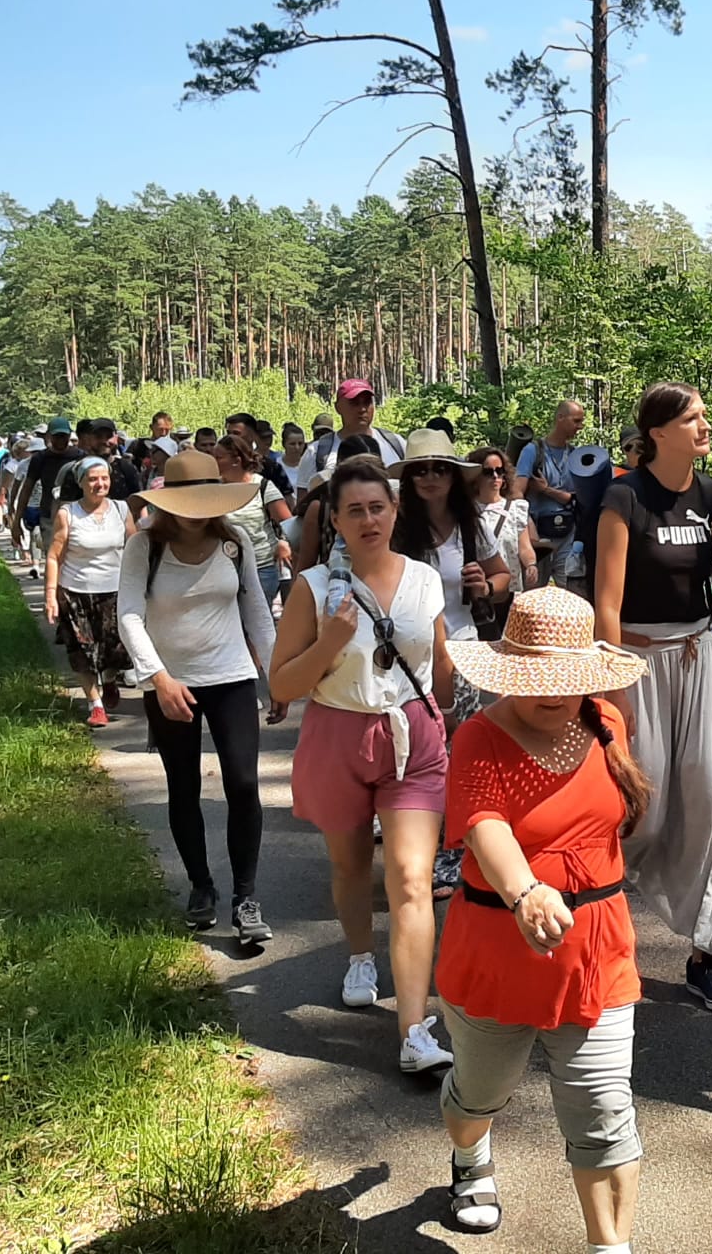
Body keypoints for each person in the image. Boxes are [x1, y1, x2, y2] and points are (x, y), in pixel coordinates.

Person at [437, 589, 650, 1246]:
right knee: (480, 1096)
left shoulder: (607, 722)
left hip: (597, 954)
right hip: (498, 956)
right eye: (535, 677)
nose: (553, 693)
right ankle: (471, 1155)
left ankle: (610, 1245)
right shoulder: (478, 738)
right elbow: (484, 825)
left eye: (566, 677)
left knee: (604, 1111)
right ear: (508, 671)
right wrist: (526, 891)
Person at [269, 455, 458, 1074]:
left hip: (413, 737)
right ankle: (358, 956)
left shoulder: (424, 580)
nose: (369, 519)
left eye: (378, 507)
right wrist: (329, 639)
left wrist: (455, 714)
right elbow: (282, 684)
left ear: (395, 511)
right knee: (350, 864)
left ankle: (413, 1029)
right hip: (338, 733)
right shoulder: (313, 587)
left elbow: (440, 662)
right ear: (336, 521)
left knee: (411, 878)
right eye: (355, 510)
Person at [593, 382, 712, 1013]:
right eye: (693, 418)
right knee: (643, 807)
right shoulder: (624, 497)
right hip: (637, 664)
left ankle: (707, 953)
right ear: (659, 433)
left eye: (705, 416)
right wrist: (614, 690)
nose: (705, 426)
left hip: (697, 660)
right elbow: (606, 603)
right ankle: (598, 926)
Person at [117, 450, 278, 944]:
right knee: (183, 786)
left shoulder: (235, 543)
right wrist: (158, 678)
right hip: (170, 683)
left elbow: (257, 612)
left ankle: (246, 899)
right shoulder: (145, 547)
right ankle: (200, 886)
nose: (197, 512)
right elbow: (129, 615)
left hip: (231, 676)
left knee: (243, 784)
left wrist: (277, 676)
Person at [389, 429, 509, 900]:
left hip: (463, 651)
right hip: (408, 659)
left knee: (459, 754)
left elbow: (503, 576)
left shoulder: (470, 524)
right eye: (420, 469)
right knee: (419, 755)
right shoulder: (397, 527)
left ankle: (455, 849)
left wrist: (486, 587)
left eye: (440, 468)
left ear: (455, 476)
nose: (430, 477)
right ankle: (423, 845)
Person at [44, 456, 137, 728]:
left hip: (115, 591)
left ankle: (109, 679)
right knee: (81, 652)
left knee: (116, 650)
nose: (100, 484)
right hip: (76, 593)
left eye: (104, 478)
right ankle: (95, 705)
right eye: (93, 479)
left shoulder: (121, 509)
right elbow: (54, 556)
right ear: (81, 483)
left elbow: (135, 547)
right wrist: (51, 595)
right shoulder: (68, 514)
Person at [469, 445, 540, 637]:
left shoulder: (516, 509)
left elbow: (524, 546)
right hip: (477, 590)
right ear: (475, 476)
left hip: (508, 590)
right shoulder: (466, 511)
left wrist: (531, 564)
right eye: (488, 472)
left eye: (499, 471)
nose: (495, 477)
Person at [513, 400, 586, 586]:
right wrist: (527, 526)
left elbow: (577, 499)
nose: (580, 426)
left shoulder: (575, 455)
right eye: (576, 421)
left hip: (568, 534)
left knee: (571, 591)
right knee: (534, 590)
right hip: (539, 536)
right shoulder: (533, 451)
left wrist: (546, 490)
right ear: (560, 418)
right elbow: (516, 493)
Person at [213, 434, 293, 602]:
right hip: (224, 569)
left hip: (261, 569)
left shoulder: (262, 486)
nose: (214, 461)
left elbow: (289, 524)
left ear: (236, 460)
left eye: (219, 457)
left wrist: (283, 542)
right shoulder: (214, 489)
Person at [291, 432, 381, 574]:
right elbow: (304, 568)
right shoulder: (320, 509)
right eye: (355, 472)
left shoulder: (393, 504)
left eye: (373, 472)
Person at [294, 379, 406, 491]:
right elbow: (304, 499)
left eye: (367, 402)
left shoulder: (396, 443)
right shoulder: (316, 452)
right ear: (338, 407)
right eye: (354, 403)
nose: (362, 409)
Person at [11, 416, 75, 559]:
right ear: (49, 436)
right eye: (57, 436)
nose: (60, 440)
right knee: (54, 557)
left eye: (63, 436)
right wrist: (16, 521)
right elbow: (26, 489)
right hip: (49, 516)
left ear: (69, 435)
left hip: (77, 516)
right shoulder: (40, 458)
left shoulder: (79, 457)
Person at [224, 413, 294, 503]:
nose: (230, 438)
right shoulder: (222, 465)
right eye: (228, 433)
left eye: (236, 433)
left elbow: (288, 502)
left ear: (252, 436)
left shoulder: (271, 468)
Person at [281, 422, 307, 487]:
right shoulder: (276, 466)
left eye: (300, 443)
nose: (297, 447)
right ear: (284, 444)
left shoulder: (309, 464)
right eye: (292, 444)